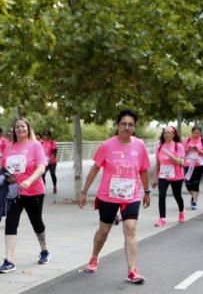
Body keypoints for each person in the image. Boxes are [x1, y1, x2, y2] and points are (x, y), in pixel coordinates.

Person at [77, 109, 151, 284]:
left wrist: (147, 192)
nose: (127, 127)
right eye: (124, 124)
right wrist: (84, 192)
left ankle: (132, 270)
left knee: (130, 228)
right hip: (108, 196)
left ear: (134, 127)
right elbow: (95, 169)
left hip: (131, 195)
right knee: (104, 231)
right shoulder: (107, 145)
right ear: (118, 126)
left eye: (130, 124)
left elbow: (143, 170)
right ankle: (94, 256)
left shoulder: (139, 145)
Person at [0, 117, 49, 273]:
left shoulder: (36, 145)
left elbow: (41, 167)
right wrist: (6, 177)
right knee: (11, 223)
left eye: (23, 126)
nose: (20, 129)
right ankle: (9, 260)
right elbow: (2, 167)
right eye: (17, 127)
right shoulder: (9, 147)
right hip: (14, 193)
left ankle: (44, 250)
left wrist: (29, 180)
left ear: (28, 128)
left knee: (37, 222)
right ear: (14, 130)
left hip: (34, 191)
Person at [153, 125, 186, 226]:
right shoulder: (159, 147)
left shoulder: (178, 146)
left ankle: (181, 211)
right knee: (161, 195)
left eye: (169, 132)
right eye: (165, 133)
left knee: (177, 195)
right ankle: (162, 218)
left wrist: (168, 153)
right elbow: (158, 163)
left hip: (176, 175)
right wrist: (154, 178)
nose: (167, 134)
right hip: (163, 175)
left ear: (173, 134)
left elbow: (179, 162)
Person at [182, 125, 203, 210]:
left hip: (199, 164)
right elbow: (182, 153)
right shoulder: (187, 140)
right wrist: (189, 149)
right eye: (194, 133)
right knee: (188, 183)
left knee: (195, 183)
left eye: (198, 133)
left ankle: (194, 201)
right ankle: (194, 196)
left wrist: (198, 150)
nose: (196, 134)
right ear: (192, 133)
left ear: (200, 133)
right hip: (188, 164)